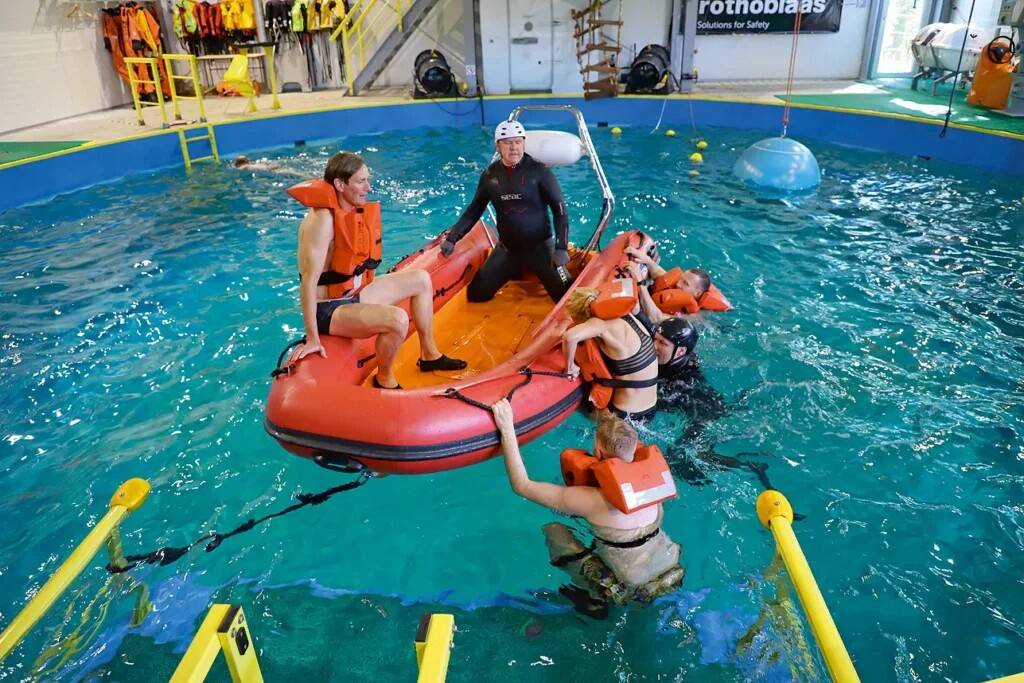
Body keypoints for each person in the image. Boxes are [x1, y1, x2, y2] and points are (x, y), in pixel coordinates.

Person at [492, 400, 684, 619]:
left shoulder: (591, 500)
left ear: (597, 450)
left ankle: (594, 598)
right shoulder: (655, 484)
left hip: (630, 586)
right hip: (672, 569)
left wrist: (507, 428)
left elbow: (522, 486)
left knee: (554, 530)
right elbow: (617, 434)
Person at [289, 152, 466, 388]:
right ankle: (384, 379)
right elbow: (308, 282)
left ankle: (429, 355)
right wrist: (312, 338)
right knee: (397, 320)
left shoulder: (347, 209)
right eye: (361, 181)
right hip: (329, 309)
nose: (368, 187)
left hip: (352, 294)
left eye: (367, 180)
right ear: (340, 185)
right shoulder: (322, 221)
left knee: (422, 279)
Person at [440, 121, 573, 303]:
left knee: (567, 298)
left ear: (523, 143)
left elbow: (560, 211)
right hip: (508, 250)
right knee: (476, 295)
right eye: (508, 143)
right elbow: (474, 210)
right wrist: (452, 238)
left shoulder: (540, 172)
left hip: (541, 249)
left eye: (518, 142)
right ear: (498, 146)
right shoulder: (490, 175)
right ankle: (514, 271)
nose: (514, 148)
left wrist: (561, 247)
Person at [562, 286, 659, 423]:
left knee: (586, 410)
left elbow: (569, 337)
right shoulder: (626, 314)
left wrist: (570, 368)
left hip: (625, 414)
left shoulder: (600, 324)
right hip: (650, 408)